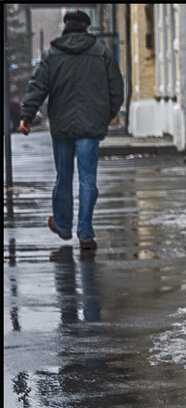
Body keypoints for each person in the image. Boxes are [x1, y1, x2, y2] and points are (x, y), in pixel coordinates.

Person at [19, 9, 124, 251]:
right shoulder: (102, 53)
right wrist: (104, 116)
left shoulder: (51, 54)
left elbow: (38, 86)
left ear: (65, 27)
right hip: (90, 127)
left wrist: (26, 116)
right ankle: (85, 233)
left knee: (63, 177)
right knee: (88, 180)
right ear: (87, 28)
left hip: (63, 127)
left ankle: (63, 226)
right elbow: (116, 89)